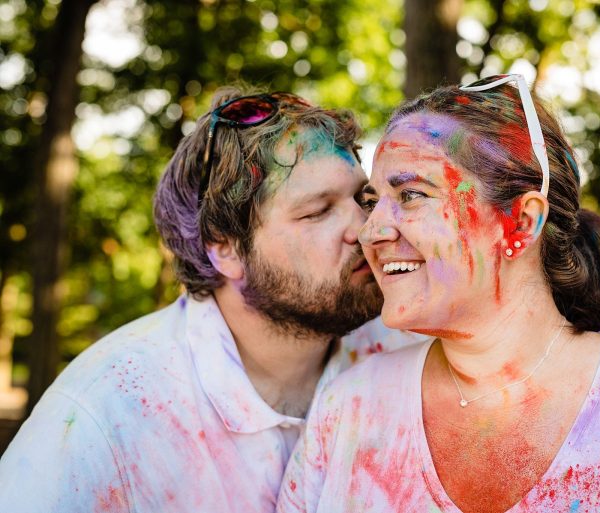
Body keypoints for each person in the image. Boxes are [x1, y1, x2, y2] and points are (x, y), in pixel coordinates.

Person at [277, 75, 600, 513]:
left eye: (411, 195)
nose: (371, 231)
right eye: (374, 201)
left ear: (521, 220)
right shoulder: (349, 410)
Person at [0, 87, 422, 512]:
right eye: (317, 211)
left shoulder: (409, 354)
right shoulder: (107, 410)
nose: (368, 229)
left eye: (361, 199)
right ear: (225, 248)